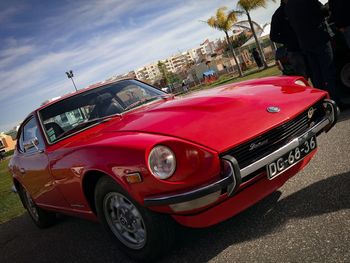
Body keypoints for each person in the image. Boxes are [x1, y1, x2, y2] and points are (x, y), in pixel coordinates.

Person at [285, 0, 339, 104]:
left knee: (316, 74)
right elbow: (323, 12)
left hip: (305, 43)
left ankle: (322, 101)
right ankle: (334, 99)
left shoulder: (288, 7)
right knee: (328, 71)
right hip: (320, 39)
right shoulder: (308, 1)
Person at [270, 0, 308, 78]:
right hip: (294, 50)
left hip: (308, 46)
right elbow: (273, 36)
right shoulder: (278, 14)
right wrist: (288, 40)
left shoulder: (299, 6)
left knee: (316, 74)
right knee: (302, 78)